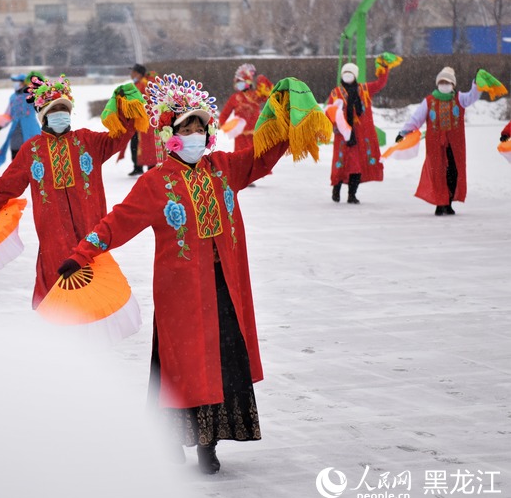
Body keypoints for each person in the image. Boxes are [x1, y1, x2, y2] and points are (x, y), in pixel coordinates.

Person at [56, 74, 330, 474]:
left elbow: (262, 156)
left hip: (223, 289)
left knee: (218, 365)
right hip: (180, 294)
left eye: (200, 127)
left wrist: (289, 118)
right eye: (187, 128)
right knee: (184, 368)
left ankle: (209, 444)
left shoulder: (223, 169)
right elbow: (117, 222)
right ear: (170, 134)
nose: (196, 135)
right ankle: (172, 438)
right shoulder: (156, 182)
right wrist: (80, 254)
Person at [0, 74, 137, 308]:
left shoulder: (87, 141)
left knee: (94, 290)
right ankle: (57, 335)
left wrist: (125, 109)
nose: (60, 113)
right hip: (53, 237)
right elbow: (6, 185)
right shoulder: (32, 150)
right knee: (58, 290)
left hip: (90, 232)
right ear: (44, 115)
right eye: (54, 109)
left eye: (64, 108)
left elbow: (119, 137)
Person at [395, 67, 482, 215]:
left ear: (453, 85)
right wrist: (404, 131)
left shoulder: (459, 98)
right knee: (437, 172)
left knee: (453, 172)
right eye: (442, 82)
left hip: (455, 144)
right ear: (437, 84)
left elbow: (473, 96)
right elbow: (417, 118)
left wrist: (477, 83)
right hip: (435, 144)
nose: (444, 84)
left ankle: (447, 202)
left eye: (447, 82)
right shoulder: (429, 101)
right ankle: (439, 203)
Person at [327, 61, 389, 204]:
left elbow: (380, 84)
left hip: (360, 135)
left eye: (351, 74)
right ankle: (336, 190)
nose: (348, 76)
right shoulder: (336, 93)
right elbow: (330, 111)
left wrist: (384, 69)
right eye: (345, 74)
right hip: (342, 135)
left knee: (356, 165)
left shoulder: (364, 89)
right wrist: (334, 126)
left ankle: (352, 195)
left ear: (355, 76)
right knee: (340, 163)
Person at [217, 63, 272, 154]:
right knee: (241, 157)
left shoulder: (255, 95)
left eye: (242, 83)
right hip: (240, 135)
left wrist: (261, 79)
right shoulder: (235, 97)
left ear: (248, 83)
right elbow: (225, 113)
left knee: (256, 157)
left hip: (256, 133)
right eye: (238, 83)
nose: (239, 85)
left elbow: (268, 94)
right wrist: (222, 124)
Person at [0, 71, 43, 166]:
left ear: (23, 82)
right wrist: (0, 125)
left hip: (31, 129)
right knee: (16, 158)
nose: (15, 84)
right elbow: (8, 114)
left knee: (34, 155)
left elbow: (41, 105)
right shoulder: (13, 97)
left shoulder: (32, 95)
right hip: (16, 132)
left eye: (17, 81)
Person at [126, 63, 157, 175]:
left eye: (133, 72)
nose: (131, 74)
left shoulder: (144, 84)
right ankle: (138, 166)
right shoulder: (137, 84)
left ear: (138, 74)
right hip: (137, 119)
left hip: (144, 120)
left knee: (145, 144)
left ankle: (150, 165)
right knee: (136, 143)